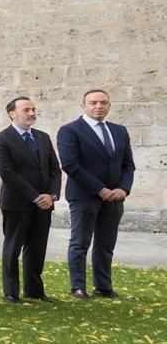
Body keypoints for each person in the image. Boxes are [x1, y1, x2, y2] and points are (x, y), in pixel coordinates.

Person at [57, 89, 136, 299]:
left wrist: (123, 189)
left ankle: (103, 286)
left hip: (115, 197)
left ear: (109, 105)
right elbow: (71, 165)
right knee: (80, 242)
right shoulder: (70, 130)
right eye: (93, 103)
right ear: (83, 105)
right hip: (84, 195)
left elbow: (128, 165)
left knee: (105, 244)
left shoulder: (119, 131)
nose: (99, 106)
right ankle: (78, 287)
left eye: (103, 103)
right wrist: (100, 189)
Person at [0, 96, 61, 304]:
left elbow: (54, 169)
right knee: (13, 248)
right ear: (12, 114)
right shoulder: (1, 139)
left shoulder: (42, 137)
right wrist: (34, 196)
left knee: (37, 247)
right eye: (26, 110)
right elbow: (7, 172)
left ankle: (35, 290)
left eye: (33, 109)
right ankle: (11, 292)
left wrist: (52, 195)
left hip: (45, 204)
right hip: (17, 203)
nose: (31, 113)